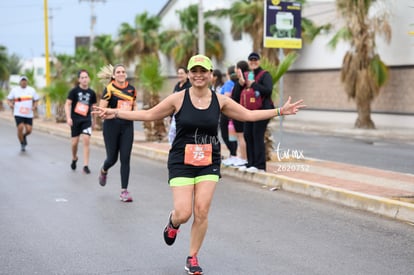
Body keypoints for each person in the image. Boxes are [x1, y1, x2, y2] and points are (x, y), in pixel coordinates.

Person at [93, 54, 305, 275]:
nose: (198, 75)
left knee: (202, 210)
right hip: (181, 161)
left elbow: (249, 115)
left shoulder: (220, 100)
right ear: (190, 74)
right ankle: (173, 223)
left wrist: (280, 111)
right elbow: (148, 114)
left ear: (211, 74)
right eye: (194, 71)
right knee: (183, 213)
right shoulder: (178, 98)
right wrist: (115, 112)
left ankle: (192, 257)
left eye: (203, 71)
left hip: (208, 161)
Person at [97, 64, 137, 202]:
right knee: (112, 159)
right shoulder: (109, 89)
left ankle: (124, 191)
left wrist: (133, 114)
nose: (121, 74)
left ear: (126, 74)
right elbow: (101, 112)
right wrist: (116, 114)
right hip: (111, 127)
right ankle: (104, 169)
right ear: (114, 75)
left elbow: (134, 109)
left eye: (123, 72)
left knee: (125, 158)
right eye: (118, 72)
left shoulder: (132, 90)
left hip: (127, 127)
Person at [239, 52, 274, 173]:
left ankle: (260, 165)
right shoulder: (247, 75)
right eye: (251, 60)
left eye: (255, 60)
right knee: (248, 135)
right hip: (249, 111)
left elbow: (268, 91)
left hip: (262, 110)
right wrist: (241, 82)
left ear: (259, 61)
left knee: (257, 135)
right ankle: (251, 163)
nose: (253, 62)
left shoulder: (265, 75)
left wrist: (254, 84)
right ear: (248, 62)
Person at [64, 69, 97, 174]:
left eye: (86, 77)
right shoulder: (74, 91)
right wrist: (68, 118)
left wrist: (94, 121)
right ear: (79, 80)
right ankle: (74, 158)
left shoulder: (92, 93)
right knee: (74, 143)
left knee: (86, 140)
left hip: (86, 120)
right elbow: (67, 104)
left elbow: (94, 108)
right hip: (75, 120)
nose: (84, 79)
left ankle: (86, 165)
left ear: (89, 79)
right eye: (82, 78)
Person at [7, 75, 40, 152]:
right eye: (22, 81)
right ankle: (22, 143)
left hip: (28, 113)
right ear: (20, 82)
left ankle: (24, 136)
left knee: (29, 130)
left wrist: (34, 106)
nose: (24, 82)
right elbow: (8, 99)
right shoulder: (15, 90)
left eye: (25, 81)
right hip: (18, 113)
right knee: (20, 127)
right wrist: (10, 104)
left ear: (27, 82)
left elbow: (36, 100)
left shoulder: (32, 90)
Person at [230, 60, 250, 166]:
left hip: (238, 112)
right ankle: (242, 157)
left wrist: (240, 74)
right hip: (237, 111)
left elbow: (242, 80)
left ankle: (243, 158)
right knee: (240, 137)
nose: (235, 70)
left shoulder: (242, 81)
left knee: (241, 136)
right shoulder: (240, 81)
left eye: (236, 68)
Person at [219, 65, 239, 166]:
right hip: (234, 112)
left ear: (228, 73)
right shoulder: (236, 83)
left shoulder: (228, 83)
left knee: (225, 134)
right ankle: (233, 154)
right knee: (232, 135)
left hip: (225, 112)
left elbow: (226, 97)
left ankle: (233, 154)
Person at [169, 66, 192, 144]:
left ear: (187, 74)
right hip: (176, 115)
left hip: (185, 115)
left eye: (182, 73)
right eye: (178, 73)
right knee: (173, 136)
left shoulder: (189, 86)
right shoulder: (177, 85)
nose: (180, 75)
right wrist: (171, 115)